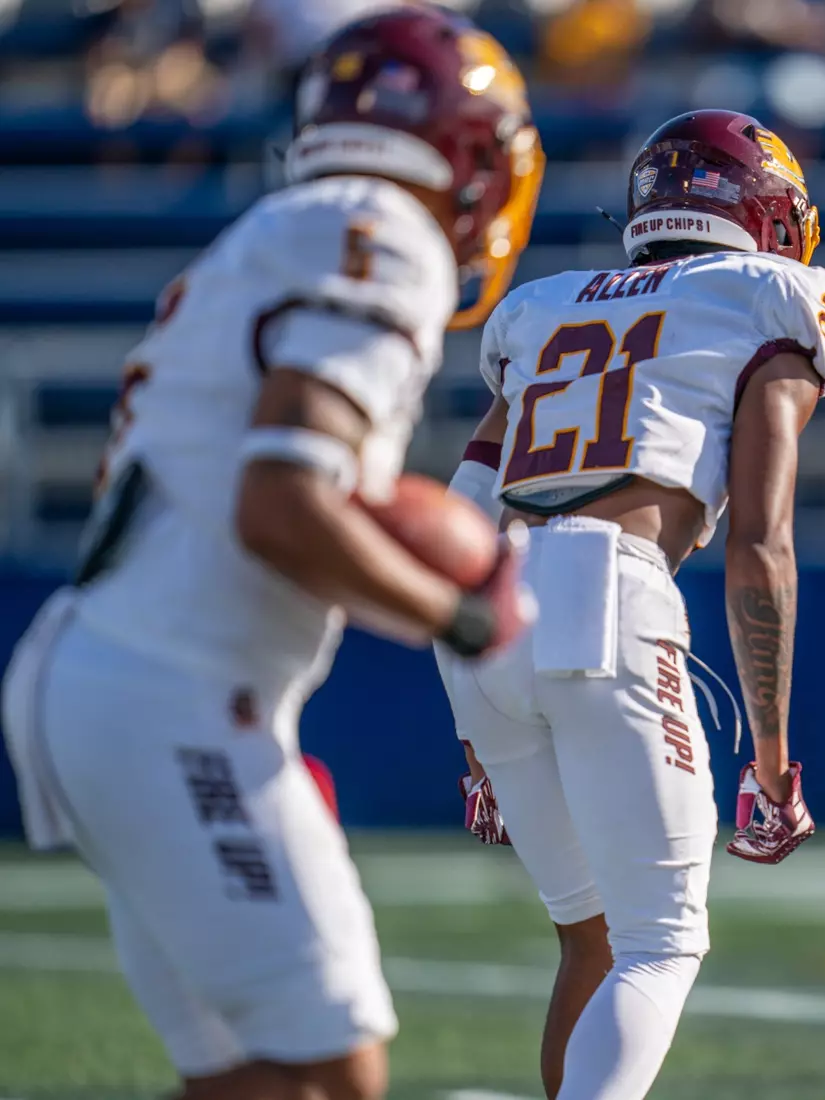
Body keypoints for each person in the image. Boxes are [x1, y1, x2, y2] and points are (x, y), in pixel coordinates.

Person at [0, 9, 542, 1098]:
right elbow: (281, 503)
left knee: (251, 1075)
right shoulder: (386, 232)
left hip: (110, 666)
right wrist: (468, 613)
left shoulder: (290, 223)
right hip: (176, 687)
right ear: (467, 151)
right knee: (329, 1067)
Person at [435, 109, 825, 1100]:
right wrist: (776, 755)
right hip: (607, 591)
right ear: (762, 211)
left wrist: (475, 722)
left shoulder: (546, 302)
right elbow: (760, 543)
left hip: (488, 607)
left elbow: (458, 512)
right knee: (661, 944)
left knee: (593, 937)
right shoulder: (771, 294)